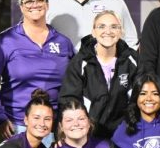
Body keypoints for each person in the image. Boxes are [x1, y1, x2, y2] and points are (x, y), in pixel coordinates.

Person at [0, 0, 75, 140]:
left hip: (55, 126)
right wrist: (0, 119)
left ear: (47, 4)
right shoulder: (6, 41)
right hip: (17, 125)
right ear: (21, 6)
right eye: (29, 1)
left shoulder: (63, 43)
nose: (34, 5)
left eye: (39, 0)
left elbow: (74, 84)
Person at [59, 10, 140, 140]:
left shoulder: (133, 60)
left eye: (114, 27)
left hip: (125, 135)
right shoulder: (80, 62)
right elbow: (68, 100)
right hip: (89, 136)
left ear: (121, 32)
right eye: (101, 26)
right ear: (93, 32)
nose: (108, 31)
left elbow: (140, 98)